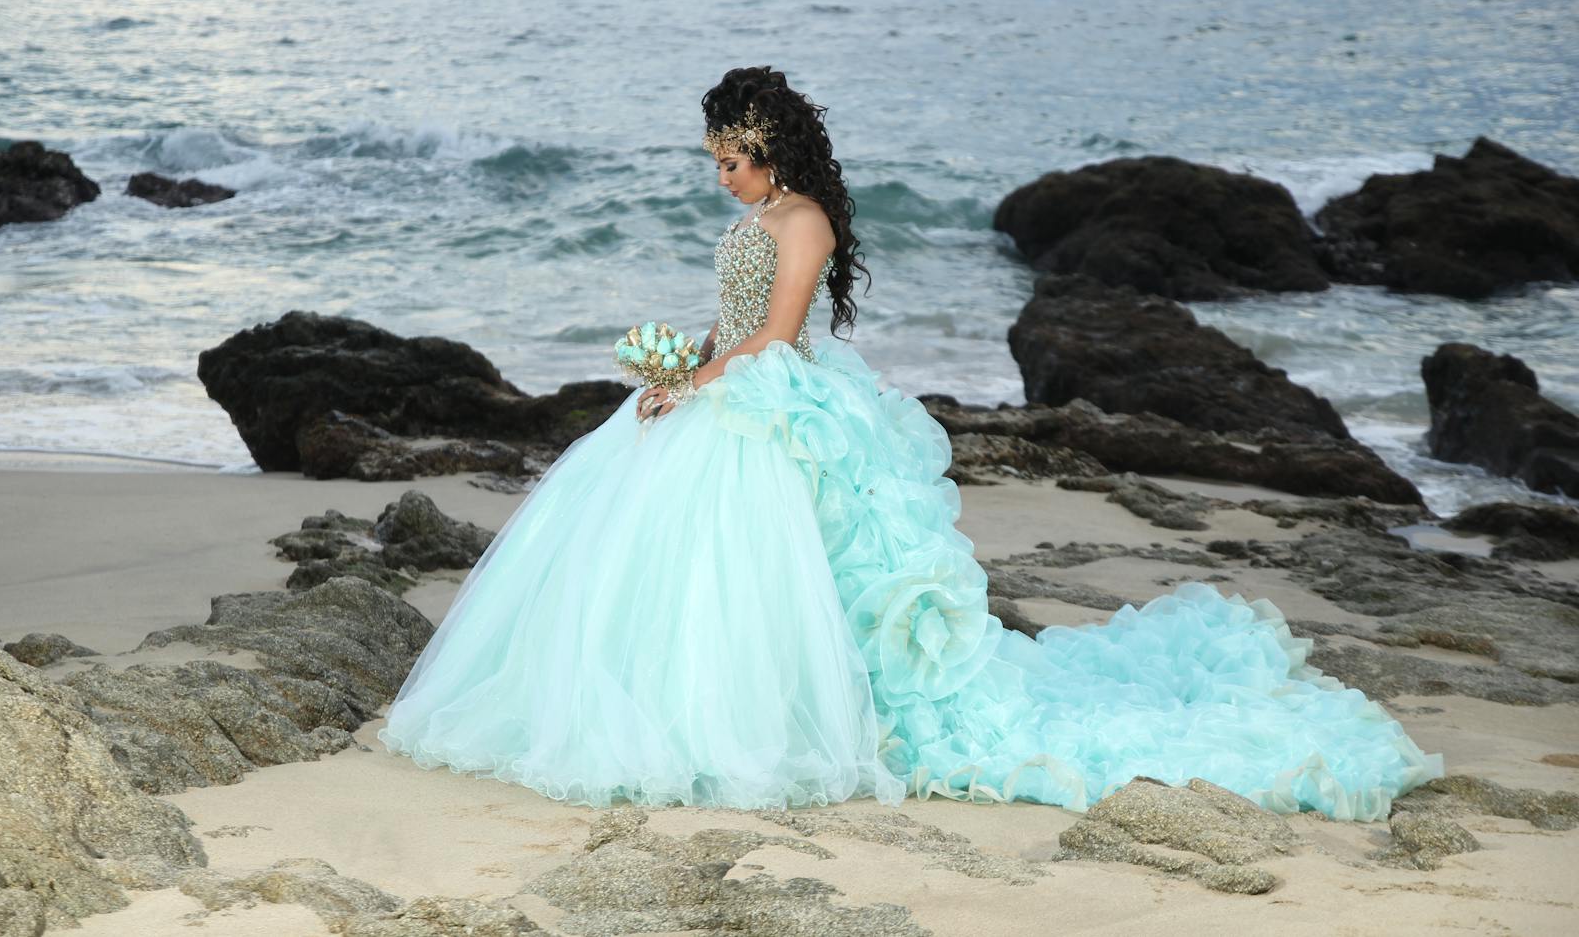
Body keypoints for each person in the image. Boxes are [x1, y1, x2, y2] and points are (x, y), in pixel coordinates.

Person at [375, 66, 1445, 819]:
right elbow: (734, 323)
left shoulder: (804, 223)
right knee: (656, 563)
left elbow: (779, 340)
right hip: (726, 385)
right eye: (714, 162)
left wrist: (696, 382)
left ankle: (766, 727)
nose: (721, 179)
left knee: (767, 571)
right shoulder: (758, 218)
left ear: (767, 150)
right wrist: (677, 367)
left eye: (729, 161)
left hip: (771, 400)